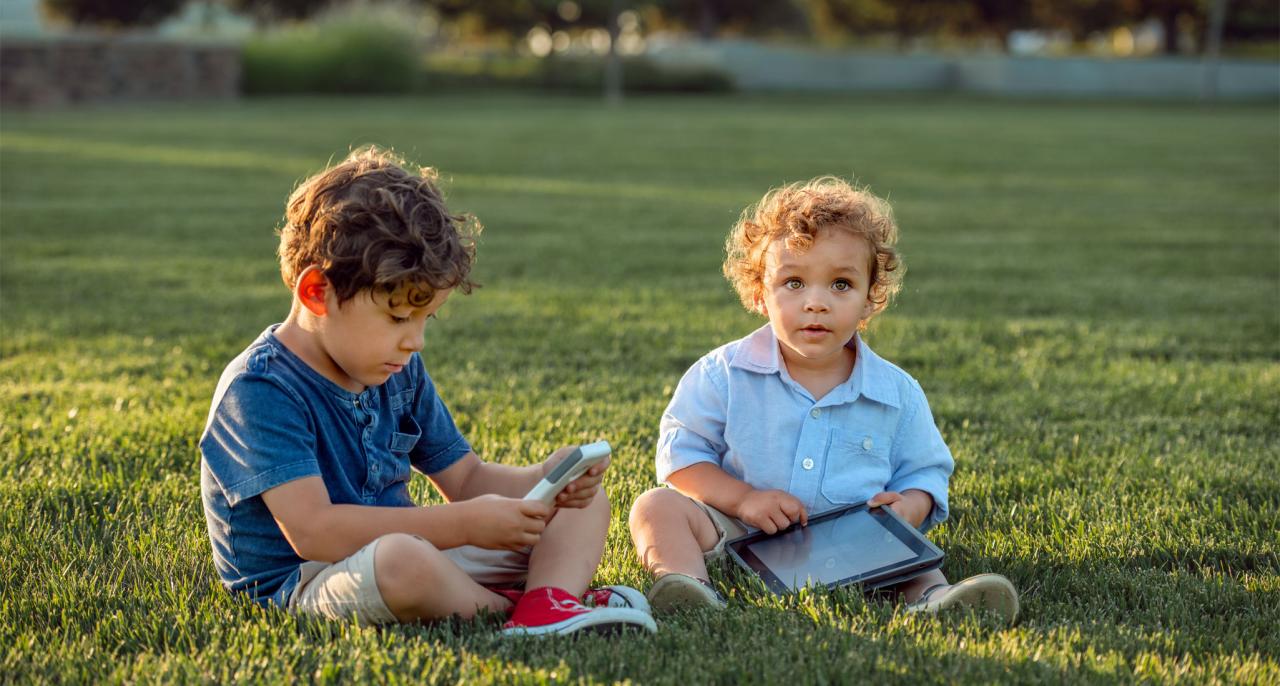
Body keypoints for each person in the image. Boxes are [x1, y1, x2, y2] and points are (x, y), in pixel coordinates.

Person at [199, 146, 655, 636]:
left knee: (580, 505)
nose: (414, 340)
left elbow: (467, 479)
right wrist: (461, 526)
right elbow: (315, 533)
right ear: (317, 292)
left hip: (416, 546)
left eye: (425, 319)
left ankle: (547, 603)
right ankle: (517, 609)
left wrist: (545, 477)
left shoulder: (395, 368)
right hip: (308, 580)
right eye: (398, 317)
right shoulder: (261, 389)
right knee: (402, 562)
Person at [628, 177, 1019, 624]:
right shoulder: (723, 375)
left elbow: (926, 472)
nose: (816, 303)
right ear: (759, 293)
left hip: (854, 547)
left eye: (840, 285)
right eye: (794, 283)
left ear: (870, 299)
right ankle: (687, 585)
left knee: (916, 563)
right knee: (655, 506)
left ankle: (935, 601)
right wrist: (743, 500)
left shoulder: (896, 392)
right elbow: (682, 457)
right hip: (740, 534)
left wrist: (909, 506)